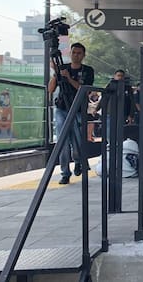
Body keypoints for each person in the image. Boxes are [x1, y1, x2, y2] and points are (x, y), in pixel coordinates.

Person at [48, 42, 95, 185]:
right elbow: (50, 89)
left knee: (77, 141)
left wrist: (69, 78)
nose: (76, 55)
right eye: (74, 52)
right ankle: (64, 173)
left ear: (83, 55)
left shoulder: (88, 70)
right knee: (63, 141)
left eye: (79, 53)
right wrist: (57, 74)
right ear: (70, 53)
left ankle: (79, 161)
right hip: (62, 108)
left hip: (78, 109)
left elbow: (84, 89)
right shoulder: (62, 68)